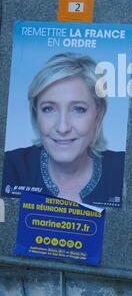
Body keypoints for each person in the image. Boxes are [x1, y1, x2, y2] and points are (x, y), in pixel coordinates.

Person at [2, 53, 125, 207]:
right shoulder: (9, 167)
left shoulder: (125, 170)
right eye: (48, 109)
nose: (62, 127)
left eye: (78, 109)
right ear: (36, 114)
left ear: (98, 114)